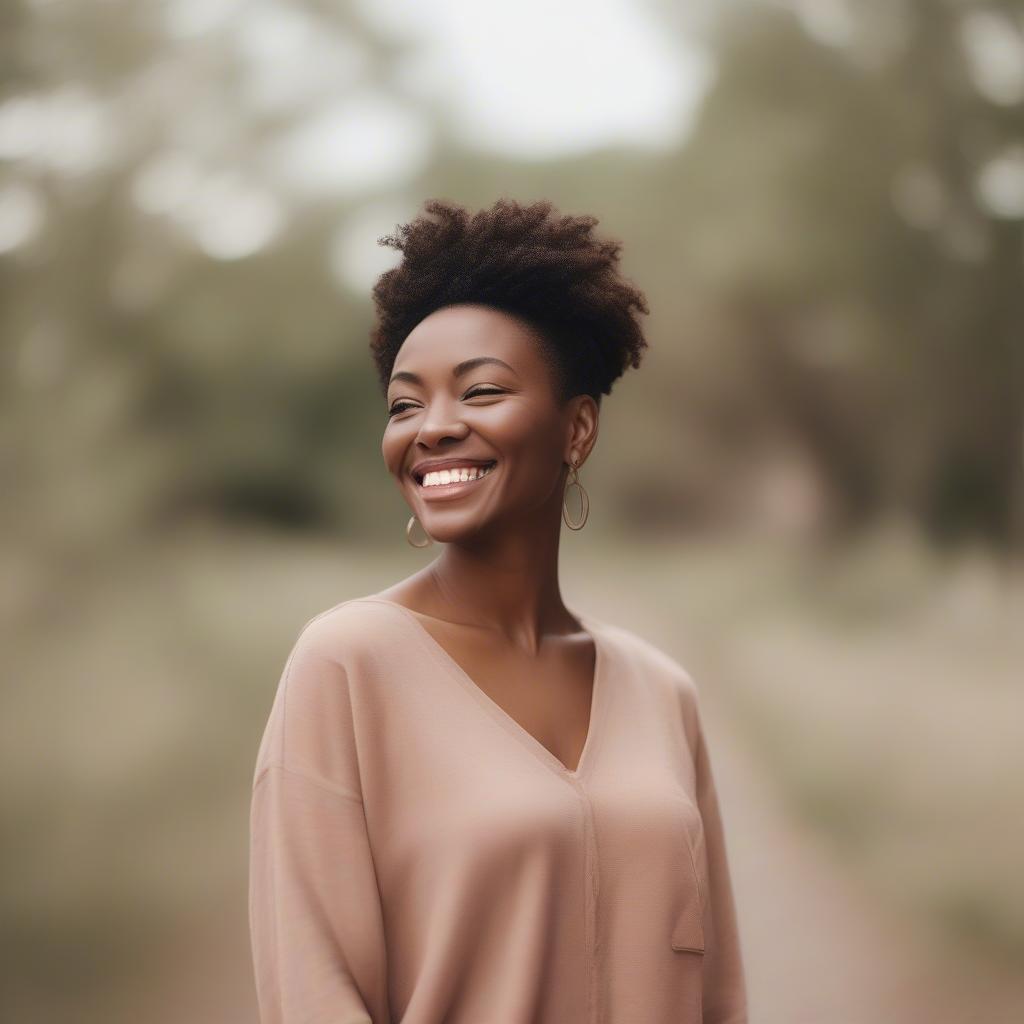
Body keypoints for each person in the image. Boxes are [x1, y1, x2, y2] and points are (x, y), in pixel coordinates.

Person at [248, 198, 748, 1023]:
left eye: (480, 391)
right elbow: (313, 988)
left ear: (577, 428)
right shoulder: (347, 663)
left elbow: (718, 996)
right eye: (406, 405)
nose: (433, 428)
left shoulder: (664, 695)